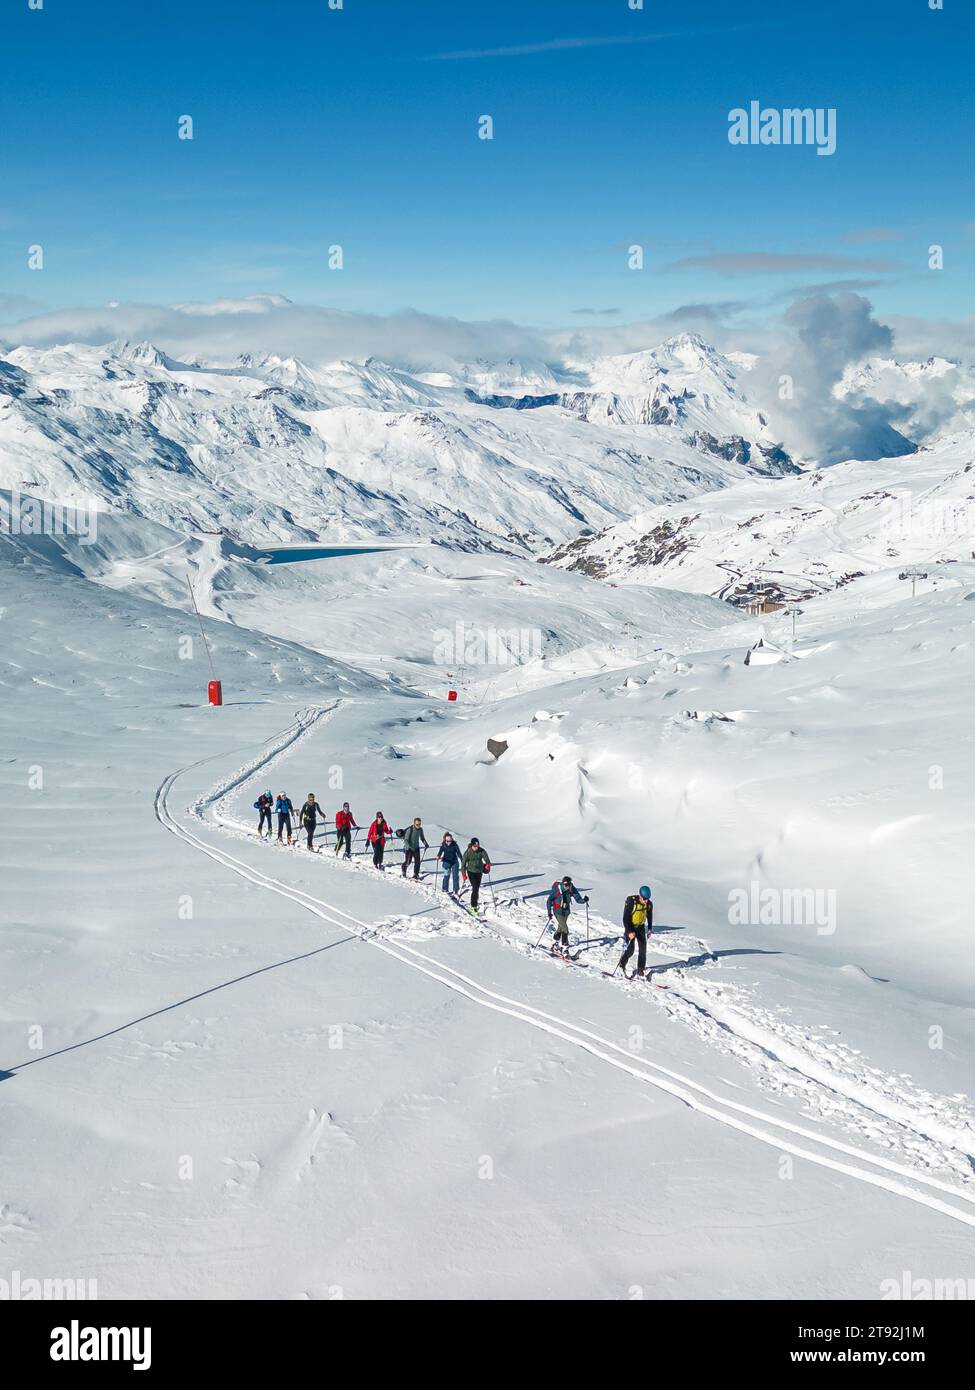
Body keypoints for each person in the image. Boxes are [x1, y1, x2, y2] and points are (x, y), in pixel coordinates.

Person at [546, 874, 588, 957]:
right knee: (565, 929)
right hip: (557, 911)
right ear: (563, 884)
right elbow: (549, 900)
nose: (568, 886)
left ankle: (556, 944)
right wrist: (549, 912)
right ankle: (565, 949)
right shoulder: (557, 890)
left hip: (566, 912)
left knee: (561, 928)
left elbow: (578, 899)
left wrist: (584, 900)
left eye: (569, 884)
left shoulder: (572, 888)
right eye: (566, 885)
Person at [619, 885, 653, 977]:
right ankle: (622, 964)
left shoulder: (649, 904)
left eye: (647, 899)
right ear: (640, 896)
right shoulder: (632, 902)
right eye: (644, 899)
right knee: (630, 949)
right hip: (630, 927)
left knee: (643, 949)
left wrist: (650, 929)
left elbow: (649, 916)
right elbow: (625, 918)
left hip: (640, 927)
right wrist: (629, 932)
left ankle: (640, 969)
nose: (646, 901)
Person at [461, 837, 491, 914]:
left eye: (477, 846)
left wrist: (487, 865)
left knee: (476, 888)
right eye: (474, 846)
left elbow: (487, 860)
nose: (476, 848)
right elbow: (463, 864)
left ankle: (475, 902)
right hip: (471, 871)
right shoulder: (468, 852)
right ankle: (473, 906)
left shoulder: (482, 851)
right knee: (475, 887)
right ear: (471, 845)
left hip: (479, 871)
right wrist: (464, 874)